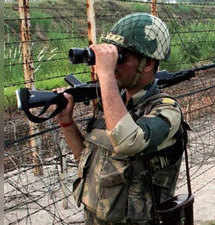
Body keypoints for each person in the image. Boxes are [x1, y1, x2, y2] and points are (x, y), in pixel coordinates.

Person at [56, 13, 188, 225]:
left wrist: (106, 74)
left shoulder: (166, 110)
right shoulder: (113, 106)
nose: (113, 64)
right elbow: (87, 159)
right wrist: (67, 122)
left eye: (121, 57)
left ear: (147, 64)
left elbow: (128, 141)